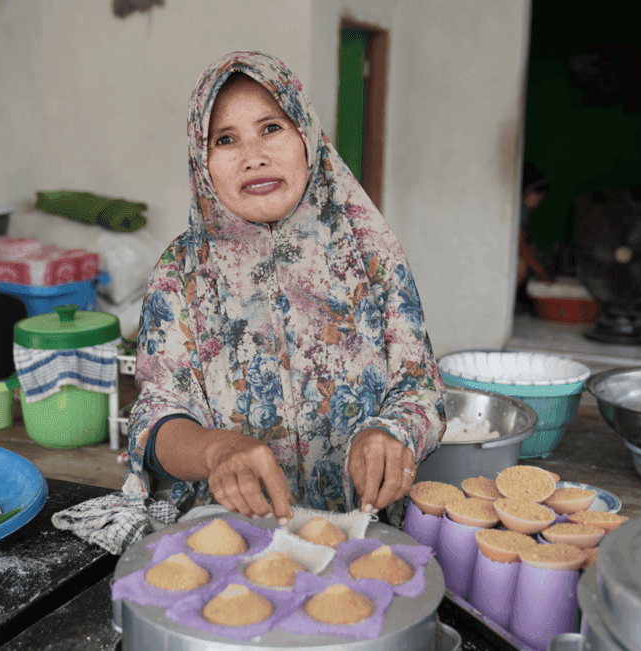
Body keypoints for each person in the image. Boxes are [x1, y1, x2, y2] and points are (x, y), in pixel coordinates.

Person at [123, 51, 445, 526]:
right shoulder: (182, 273)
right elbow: (155, 416)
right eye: (225, 139)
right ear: (202, 158)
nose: (253, 156)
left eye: (271, 128)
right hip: (227, 537)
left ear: (306, 135)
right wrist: (214, 450)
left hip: (363, 533)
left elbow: (420, 387)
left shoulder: (372, 254)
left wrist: (391, 432)